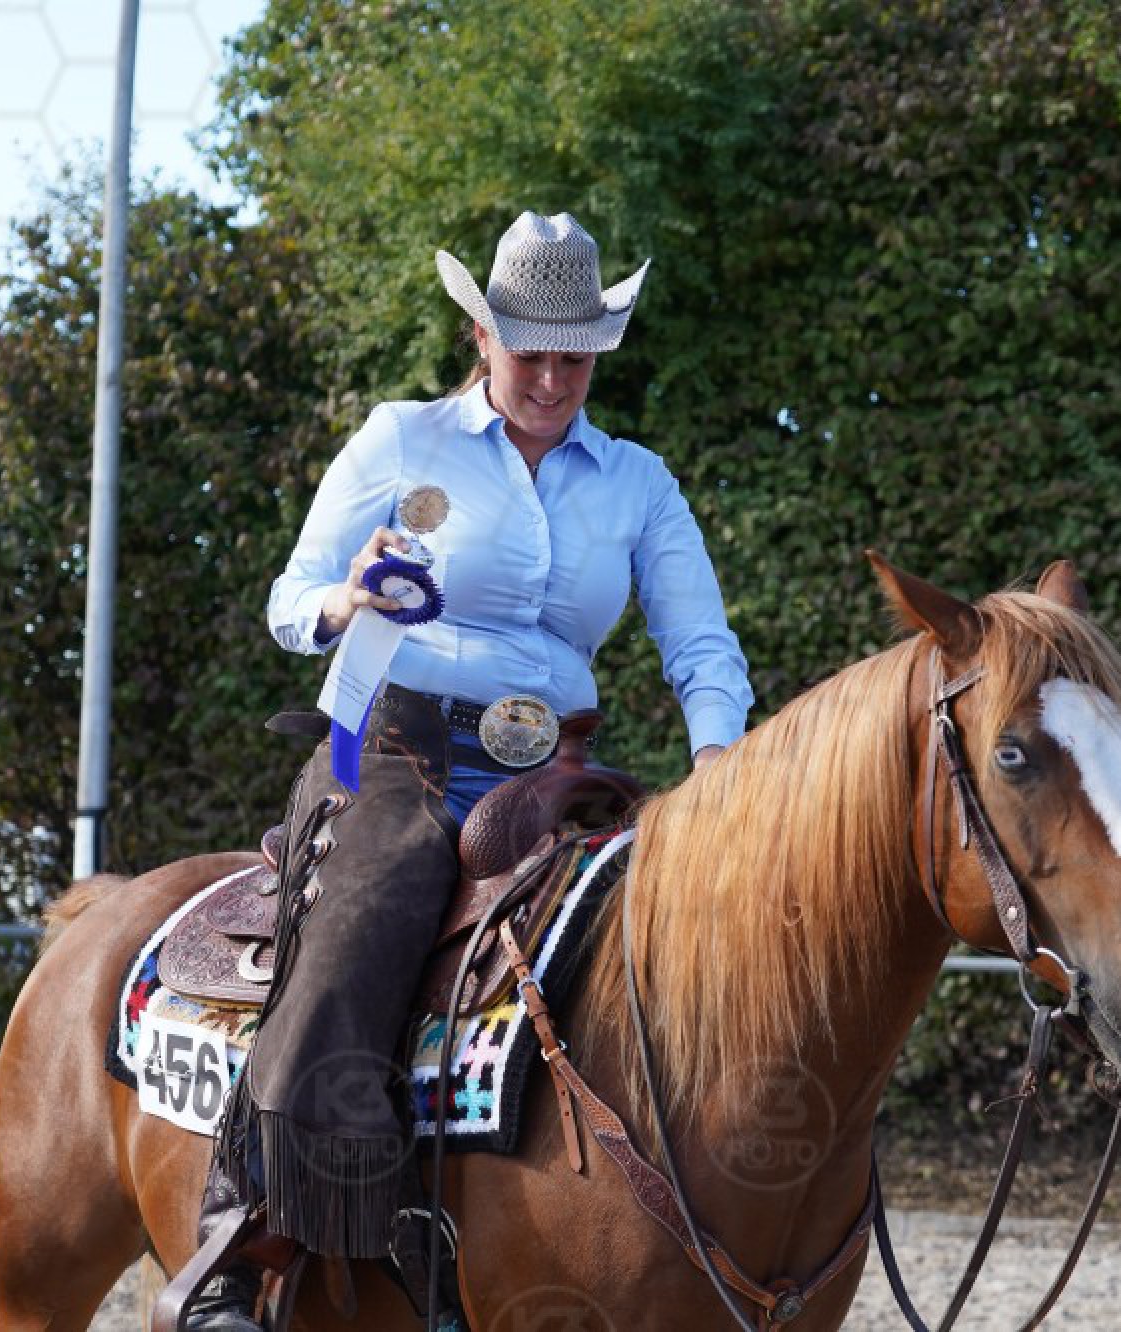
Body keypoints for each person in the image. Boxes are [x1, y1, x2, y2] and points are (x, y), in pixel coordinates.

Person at [183, 211, 752, 1330]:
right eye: (528, 352)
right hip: (397, 748)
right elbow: (290, 598)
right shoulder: (403, 440)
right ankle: (238, 1245)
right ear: (481, 335)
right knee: (354, 945)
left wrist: (718, 768)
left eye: (574, 358)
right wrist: (344, 600)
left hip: (555, 767)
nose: (550, 379)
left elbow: (699, 646)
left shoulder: (639, 484)